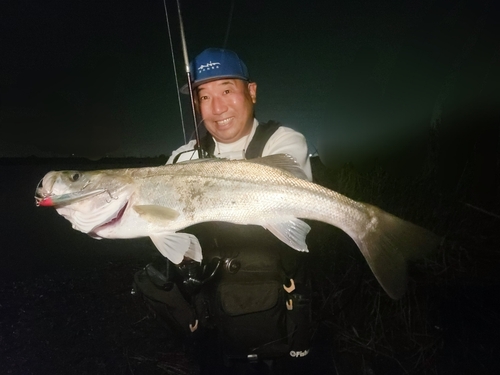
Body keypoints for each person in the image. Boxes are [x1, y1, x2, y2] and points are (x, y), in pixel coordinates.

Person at [133, 48, 314, 374]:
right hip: (217, 330)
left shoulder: (283, 143)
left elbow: (281, 196)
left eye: (227, 90)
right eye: (204, 97)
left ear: (252, 91)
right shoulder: (181, 157)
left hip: (280, 329)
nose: (216, 109)